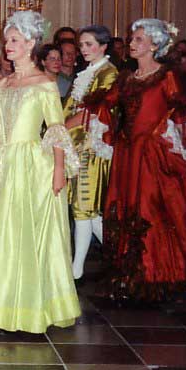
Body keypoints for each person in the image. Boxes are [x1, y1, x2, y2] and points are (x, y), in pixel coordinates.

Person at [83, 19, 186, 302]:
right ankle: (135, 274)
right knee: (132, 209)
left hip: (153, 154)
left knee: (154, 211)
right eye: (132, 38)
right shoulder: (127, 78)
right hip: (128, 155)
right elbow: (102, 107)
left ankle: (159, 273)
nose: (132, 43)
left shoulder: (166, 76)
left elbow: (182, 115)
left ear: (154, 45)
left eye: (139, 39)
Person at [0, 10, 81, 334]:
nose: (7, 45)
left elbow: (55, 128)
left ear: (30, 43)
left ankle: (25, 307)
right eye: (7, 40)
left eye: (14, 40)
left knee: (21, 233)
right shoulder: (1, 84)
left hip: (30, 165)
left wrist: (59, 168)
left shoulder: (44, 84)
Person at [63, 26, 118, 280]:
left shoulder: (108, 73)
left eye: (89, 44)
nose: (83, 49)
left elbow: (94, 112)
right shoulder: (88, 72)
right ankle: (121, 259)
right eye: (82, 45)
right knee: (89, 211)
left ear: (103, 46)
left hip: (92, 146)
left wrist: (62, 128)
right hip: (77, 144)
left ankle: (76, 269)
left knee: (84, 206)